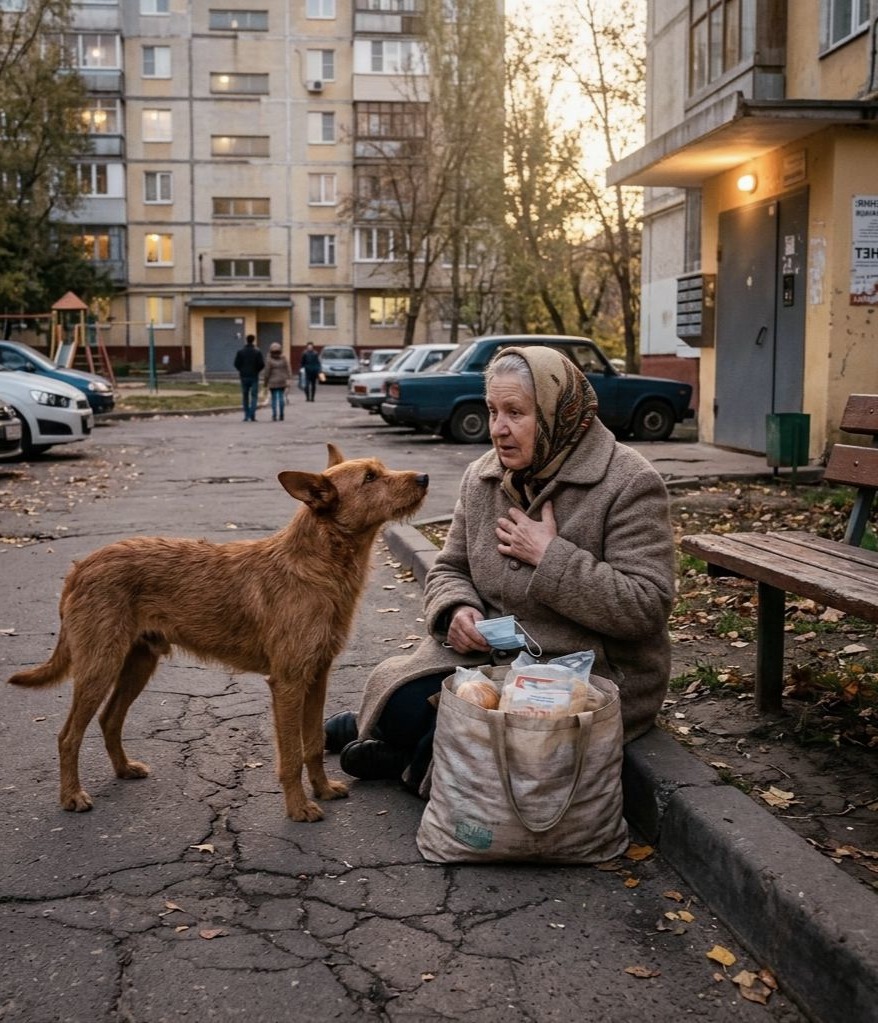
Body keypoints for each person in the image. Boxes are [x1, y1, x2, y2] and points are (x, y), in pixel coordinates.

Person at [326, 345, 677, 795]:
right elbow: (449, 568)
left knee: (478, 739)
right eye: (493, 411)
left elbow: (645, 607)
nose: (498, 430)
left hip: (584, 676)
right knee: (400, 699)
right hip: (490, 661)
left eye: (515, 412)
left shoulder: (629, 482)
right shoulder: (482, 477)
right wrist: (457, 611)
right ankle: (404, 739)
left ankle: (406, 756)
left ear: (558, 413)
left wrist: (550, 556)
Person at [234, 334, 264, 422]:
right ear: (253, 340)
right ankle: (252, 415)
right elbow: (261, 364)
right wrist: (257, 370)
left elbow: (236, 364)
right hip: (254, 376)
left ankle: (246, 415)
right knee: (254, 396)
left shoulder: (240, 352)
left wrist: (241, 370)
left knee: (245, 396)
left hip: (244, 376)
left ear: (246, 340)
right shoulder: (257, 352)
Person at [263, 342, 292, 421]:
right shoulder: (284, 358)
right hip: (282, 381)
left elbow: (267, 372)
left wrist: (265, 382)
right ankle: (282, 414)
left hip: (272, 382)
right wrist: (289, 378)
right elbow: (288, 368)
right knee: (281, 398)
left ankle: (274, 415)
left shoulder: (269, 359)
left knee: (274, 399)